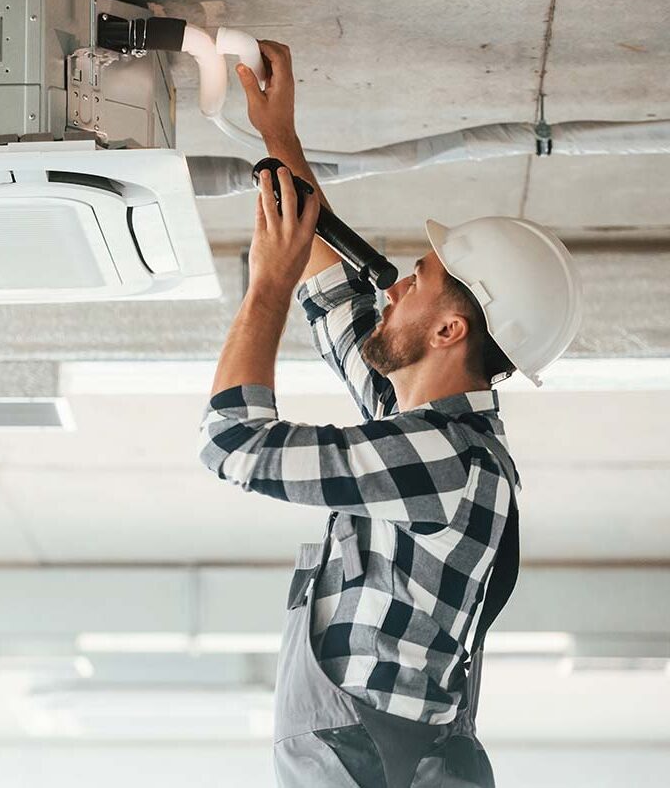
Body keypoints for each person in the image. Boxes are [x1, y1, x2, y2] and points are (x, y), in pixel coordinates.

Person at [197, 41, 583, 788]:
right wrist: (279, 136)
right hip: (361, 758)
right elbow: (331, 304)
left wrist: (267, 286)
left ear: (449, 332)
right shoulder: (437, 450)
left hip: (358, 761)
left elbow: (233, 442)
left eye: (420, 279)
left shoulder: (441, 460)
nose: (398, 284)